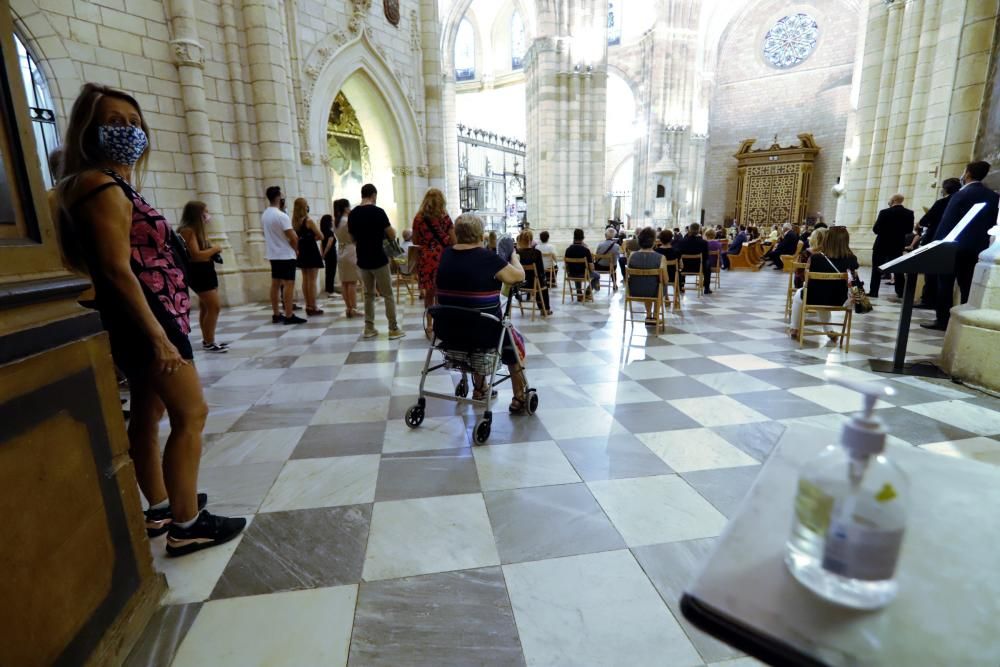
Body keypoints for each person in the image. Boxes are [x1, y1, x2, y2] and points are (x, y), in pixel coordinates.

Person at [57, 82, 244, 556]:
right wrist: (159, 335)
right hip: (147, 314)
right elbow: (118, 269)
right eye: (116, 122)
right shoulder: (99, 185)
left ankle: (162, 506)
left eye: (135, 124)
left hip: (148, 312)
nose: (129, 131)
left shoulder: (108, 183)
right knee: (191, 413)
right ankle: (188, 524)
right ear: (89, 128)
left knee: (148, 411)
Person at [434, 214, 529, 413]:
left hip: (447, 329)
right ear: (480, 234)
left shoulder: (446, 254)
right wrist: (514, 258)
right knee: (512, 340)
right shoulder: (487, 258)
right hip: (482, 332)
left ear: (457, 234)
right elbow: (518, 276)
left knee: (472, 319)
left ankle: (480, 388)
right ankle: (519, 396)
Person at [922, 161, 1000, 330]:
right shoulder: (993, 197)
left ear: (967, 174)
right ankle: (963, 317)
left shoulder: (960, 195)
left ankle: (942, 320)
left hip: (952, 248)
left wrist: (936, 245)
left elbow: (946, 222)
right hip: (976, 249)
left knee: (945, 284)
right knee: (967, 284)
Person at [348, 183, 404, 339]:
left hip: (362, 259)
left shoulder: (353, 214)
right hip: (379, 258)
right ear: (373, 195)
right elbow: (391, 234)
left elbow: (352, 238)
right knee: (388, 294)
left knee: (368, 294)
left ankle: (369, 328)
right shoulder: (378, 212)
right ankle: (393, 329)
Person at [790, 226, 858, 339]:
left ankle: (794, 328)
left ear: (828, 240)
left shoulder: (816, 258)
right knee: (824, 295)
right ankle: (829, 330)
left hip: (815, 298)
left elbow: (807, 280)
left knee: (800, 295)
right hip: (841, 300)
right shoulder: (852, 259)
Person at [176, 201, 227, 352]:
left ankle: (208, 340)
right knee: (214, 306)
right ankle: (210, 342)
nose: (207, 215)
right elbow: (196, 255)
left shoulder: (196, 230)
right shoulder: (188, 231)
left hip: (206, 271)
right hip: (199, 273)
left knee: (206, 306)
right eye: (205, 212)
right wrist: (215, 249)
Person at [412, 188, 456, 336]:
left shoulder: (418, 218)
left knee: (429, 294)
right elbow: (454, 240)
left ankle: (429, 325)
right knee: (442, 293)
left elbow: (415, 240)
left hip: (427, 259)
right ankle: (441, 324)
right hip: (443, 257)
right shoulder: (445, 217)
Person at [913, 178, 961, 309]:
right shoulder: (958, 200)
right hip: (955, 242)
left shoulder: (943, 202)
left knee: (931, 274)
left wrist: (920, 224)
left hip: (936, 240)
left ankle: (928, 300)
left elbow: (925, 220)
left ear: (945, 189)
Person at [262, 185, 305, 324]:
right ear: (279, 198)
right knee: (289, 284)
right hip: (285, 254)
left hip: (273, 254)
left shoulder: (265, 214)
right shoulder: (281, 215)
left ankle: (276, 313)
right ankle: (288, 314)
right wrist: (296, 249)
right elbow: (293, 237)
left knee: (275, 284)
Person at [868, 194, 913, 299]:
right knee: (898, 269)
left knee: (876, 269)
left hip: (881, 244)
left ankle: (874, 292)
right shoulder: (909, 213)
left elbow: (876, 229)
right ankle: (901, 292)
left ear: (892, 200)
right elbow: (909, 230)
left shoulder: (884, 212)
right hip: (897, 245)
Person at [628, 227, 670, 324]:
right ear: (654, 241)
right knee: (659, 284)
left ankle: (648, 315)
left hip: (634, 291)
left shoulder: (632, 256)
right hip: (654, 292)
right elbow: (666, 280)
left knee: (646, 281)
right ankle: (655, 315)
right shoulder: (661, 258)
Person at [292, 197, 324, 315]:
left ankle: (308, 305)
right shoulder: (308, 221)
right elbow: (321, 236)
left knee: (305, 279)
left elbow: (296, 238)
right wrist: (311, 240)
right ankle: (314, 306)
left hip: (302, 251)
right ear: (304, 207)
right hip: (311, 251)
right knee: (312, 280)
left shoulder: (295, 222)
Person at [516, 230, 552, 316]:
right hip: (534, 284)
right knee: (542, 285)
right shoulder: (537, 253)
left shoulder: (516, 253)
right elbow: (541, 272)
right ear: (531, 240)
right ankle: (545, 309)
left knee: (538, 282)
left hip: (519, 284)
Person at [334, 199, 359, 318]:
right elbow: (354, 236)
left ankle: (348, 308)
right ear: (345, 208)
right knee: (352, 282)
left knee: (344, 282)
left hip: (340, 250)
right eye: (349, 207)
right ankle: (354, 308)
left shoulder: (336, 222)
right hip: (350, 250)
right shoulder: (347, 221)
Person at [677, 222, 712, 294]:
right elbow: (706, 257)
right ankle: (707, 288)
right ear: (699, 230)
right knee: (708, 264)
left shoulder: (682, 242)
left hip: (684, 267)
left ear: (689, 230)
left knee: (680, 263)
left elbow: (678, 255)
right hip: (699, 267)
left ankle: (681, 286)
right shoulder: (703, 243)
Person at [564, 228, 597, 300]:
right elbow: (591, 268)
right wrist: (591, 269)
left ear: (574, 237)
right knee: (597, 275)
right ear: (583, 237)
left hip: (571, 274)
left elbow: (566, 266)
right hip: (583, 274)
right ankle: (587, 293)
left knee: (576, 271)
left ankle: (579, 294)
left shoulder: (568, 250)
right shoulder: (586, 250)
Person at [320, 213, 337, 298]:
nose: (333, 221)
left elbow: (322, 244)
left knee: (328, 272)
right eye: (331, 220)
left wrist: (322, 254)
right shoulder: (330, 233)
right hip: (331, 254)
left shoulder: (323, 232)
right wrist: (325, 253)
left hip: (327, 255)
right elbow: (329, 244)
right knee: (332, 272)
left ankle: (328, 290)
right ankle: (331, 291)